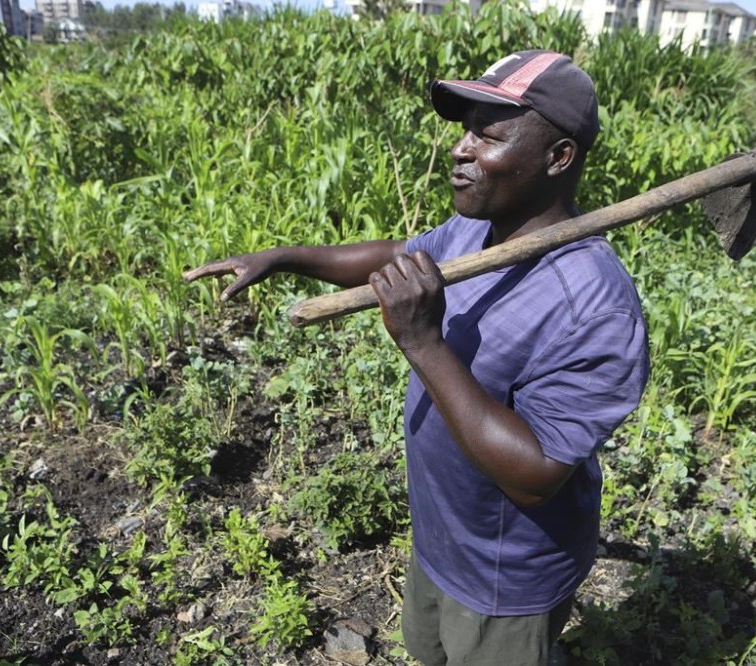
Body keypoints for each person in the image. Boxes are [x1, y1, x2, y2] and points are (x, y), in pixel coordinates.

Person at [184, 50, 649, 666]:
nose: (460, 149)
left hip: (503, 574)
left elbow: (535, 477)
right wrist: (286, 256)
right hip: (443, 535)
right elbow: (398, 253)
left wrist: (423, 343)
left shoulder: (591, 305)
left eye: (489, 135)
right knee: (429, 650)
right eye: (464, 130)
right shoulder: (479, 226)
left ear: (557, 157)